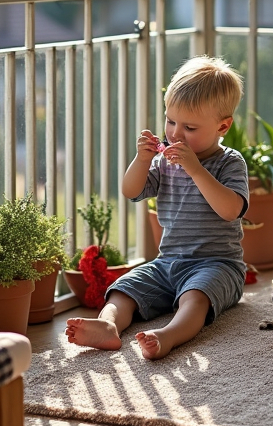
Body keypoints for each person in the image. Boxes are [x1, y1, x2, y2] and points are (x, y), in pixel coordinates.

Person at [66, 56, 249, 360]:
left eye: (189, 127)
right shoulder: (164, 162)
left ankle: (169, 335)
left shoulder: (230, 162)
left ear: (223, 126)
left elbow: (231, 210)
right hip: (168, 262)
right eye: (170, 121)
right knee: (124, 287)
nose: (175, 133)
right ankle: (107, 326)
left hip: (218, 265)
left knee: (195, 297)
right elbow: (131, 191)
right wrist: (141, 159)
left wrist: (196, 170)